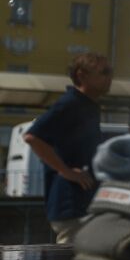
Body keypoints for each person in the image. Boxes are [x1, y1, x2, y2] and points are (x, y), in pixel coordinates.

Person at [23, 52, 111, 244]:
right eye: (104, 72)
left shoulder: (87, 105)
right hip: (71, 205)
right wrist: (66, 171)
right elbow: (32, 137)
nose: (110, 77)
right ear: (82, 75)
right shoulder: (70, 103)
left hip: (83, 203)